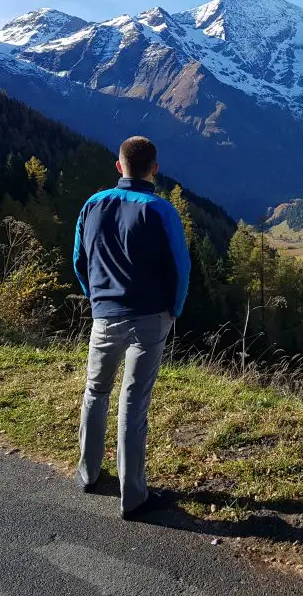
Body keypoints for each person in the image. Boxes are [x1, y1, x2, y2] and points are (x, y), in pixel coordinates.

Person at [72, 136, 191, 520]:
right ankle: (133, 496)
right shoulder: (160, 210)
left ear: (118, 166)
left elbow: (79, 259)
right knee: (133, 402)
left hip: (105, 314)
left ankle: (89, 474)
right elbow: (180, 267)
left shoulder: (92, 204)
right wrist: (174, 309)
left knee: (95, 391)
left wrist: (96, 298)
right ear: (154, 169)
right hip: (150, 316)